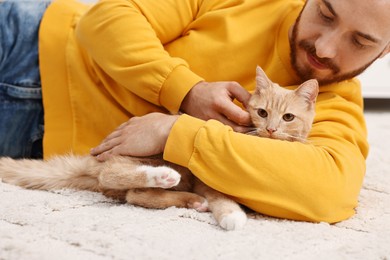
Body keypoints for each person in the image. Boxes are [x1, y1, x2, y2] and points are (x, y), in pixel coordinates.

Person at [1, 0, 389, 223]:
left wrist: (176, 132)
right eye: (324, 12)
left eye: (360, 40)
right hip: (30, 45)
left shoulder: (335, 105)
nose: (324, 47)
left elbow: (329, 192)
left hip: (41, 146)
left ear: (384, 51)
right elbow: (106, 17)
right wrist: (185, 91)